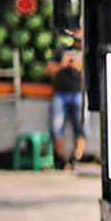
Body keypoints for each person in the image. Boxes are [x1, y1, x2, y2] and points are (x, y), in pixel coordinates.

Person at [44, 29, 85, 169]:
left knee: (81, 127)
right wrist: (62, 64)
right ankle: (60, 159)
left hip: (79, 93)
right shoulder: (62, 51)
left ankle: (76, 158)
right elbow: (48, 69)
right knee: (56, 127)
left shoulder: (87, 53)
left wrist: (76, 65)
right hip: (60, 93)